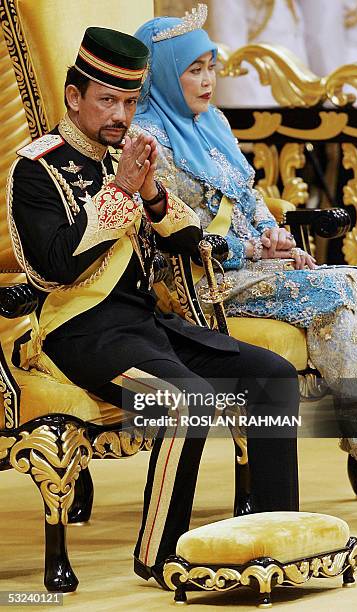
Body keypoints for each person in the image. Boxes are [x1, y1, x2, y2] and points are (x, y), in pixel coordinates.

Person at [8, 26, 299, 589]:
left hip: (149, 325)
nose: (120, 114)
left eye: (129, 101)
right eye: (107, 101)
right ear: (74, 97)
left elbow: (184, 240)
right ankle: (161, 557)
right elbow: (52, 267)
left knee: (272, 377)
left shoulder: (133, 155)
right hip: (82, 334)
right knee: (184, 403)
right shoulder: (36, 167)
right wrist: (120, 190)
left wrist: (152, 194)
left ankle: (275, 537)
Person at [133, 8, 357, 472]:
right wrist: (253, 249)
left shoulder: (213, 123)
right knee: (339, 291)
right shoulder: (148, 142)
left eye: (212, 68)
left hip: (252, 267)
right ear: (162, 73)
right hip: (202, 281)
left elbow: (248, 195)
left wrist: (275, 235)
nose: (208, 81)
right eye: (194, 70)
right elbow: (177, 232)